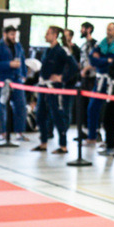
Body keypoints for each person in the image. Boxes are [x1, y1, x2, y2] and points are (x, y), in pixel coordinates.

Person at [32, 26, 71, 154]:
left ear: (55, 35)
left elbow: (74, 67)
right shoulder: (47, 51)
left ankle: (63, 145)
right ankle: (43, 142)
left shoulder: (61, 51)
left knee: (57, 115)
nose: (45, 36)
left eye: (48, 33)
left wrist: (62, 77)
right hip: (44, 87)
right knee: (40, 114)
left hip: (54, 88)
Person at [0, 25, 28, 143]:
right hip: (3, 79)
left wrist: (23, 74)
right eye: (11, 34)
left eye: (15, 34)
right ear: (4, 34)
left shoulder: (18, 46)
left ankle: (19, 132)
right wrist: (8, 64)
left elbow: (22, 60)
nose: (14, 37)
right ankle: (2, 132)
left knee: (21, 106)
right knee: (1, 106)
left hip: (17, 80)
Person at [87, 22, 114, 147]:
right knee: (92, 108)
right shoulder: (101, 43)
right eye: (107, 29)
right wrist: (106, 59)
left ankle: (109, 141)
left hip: (112, 82)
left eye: (111, 29)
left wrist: (101, 59)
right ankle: (92, 136)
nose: (108, 32)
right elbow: (92, 59)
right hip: (99, 80)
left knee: (109, 113)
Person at [78, 21, 98, 141]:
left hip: (92, 78)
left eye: (83, 28)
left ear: (88, 29)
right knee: (84, 105)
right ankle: (85, 132)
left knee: (92, 106)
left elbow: (96, 61)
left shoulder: (94, 44)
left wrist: (87, 68)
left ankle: (94, 132)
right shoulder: (84, 44)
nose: (81, 31)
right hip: (84, 78)